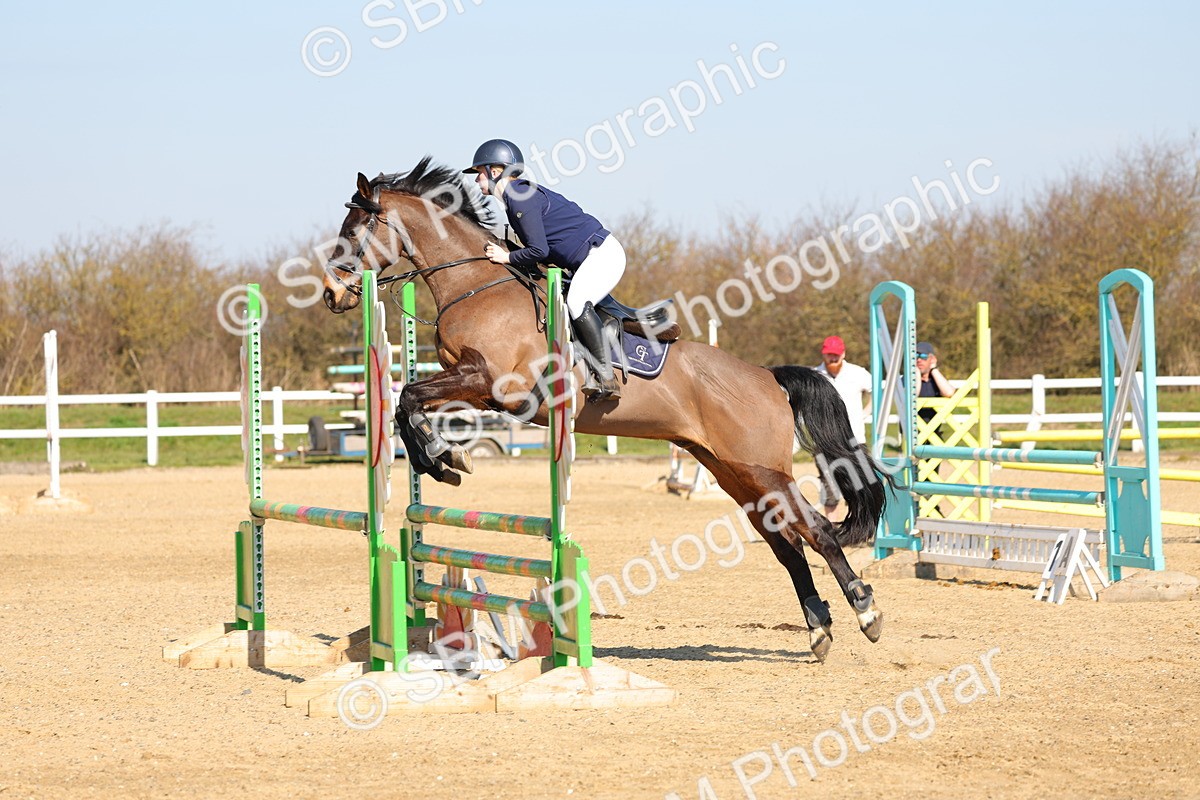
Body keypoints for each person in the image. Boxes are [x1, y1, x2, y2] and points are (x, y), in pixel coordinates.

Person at [465, 138, 626, 402]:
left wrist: (506, 256)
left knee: (576, 301)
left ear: (495, 171)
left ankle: (606, 376)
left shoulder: (519, 197)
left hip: (602, 256)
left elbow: (538, 251)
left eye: (479, 173)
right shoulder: (515, 197)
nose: (476, 180)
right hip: (587, 258)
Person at [814, 335, 873, 519]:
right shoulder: (815, 375)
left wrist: (865, 413)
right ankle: (831, 527)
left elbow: (877, 392)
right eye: (829, 355)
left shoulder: (858, 373)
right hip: (826, 442)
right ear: (823, 354)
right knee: (829, 485)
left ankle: (860, 524)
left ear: (843, 354)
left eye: (835, 355)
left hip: (855, 439)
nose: (832, 359)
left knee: (861, 484)